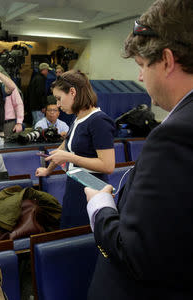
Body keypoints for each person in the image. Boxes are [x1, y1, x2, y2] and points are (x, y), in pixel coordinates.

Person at [85, 1, 193, 298]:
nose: (141, 77)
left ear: (168, 60)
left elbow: (137, 255)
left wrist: (99, 207)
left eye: (143, 66)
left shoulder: (174, 136)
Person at [35, 70, 115, 228]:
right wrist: (48, 170)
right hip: (75, 186)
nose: (58, 105)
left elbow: (107, 166)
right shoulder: (78, 117)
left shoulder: (99, 121)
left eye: (59, 99)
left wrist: (69, 157)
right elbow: (65, 145)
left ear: (72, 92)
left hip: (92, 190)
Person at [0, 65, 24, 137]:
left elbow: (18, 104)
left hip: (8, 124)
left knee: (8, 146)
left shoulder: (9, 84)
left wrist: (19, 123)